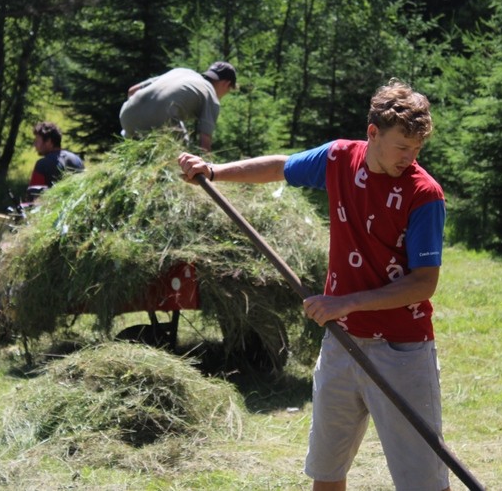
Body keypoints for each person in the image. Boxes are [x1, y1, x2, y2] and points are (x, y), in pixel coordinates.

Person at [179, 79, 450, 491]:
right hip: (342, 344)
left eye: (417, 149)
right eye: (402, 147)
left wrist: (347, 303)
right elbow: (279, 167)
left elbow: (423, 284)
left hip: (402, 350)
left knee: (422, 482)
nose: (410, 158)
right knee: (326, 472)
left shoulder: (423, 194)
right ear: (373, 133)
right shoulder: (340, 158)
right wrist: (213, 171)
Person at [119, 61, 237, 152]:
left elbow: (132, 91)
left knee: (175, 128)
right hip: (155, 124)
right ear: (226, 84)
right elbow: (204, 143)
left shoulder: (182, 72)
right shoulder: (210, 94)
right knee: (183, 149)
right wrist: (210, 170)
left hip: (126, 115)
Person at [28, 121, 84, 192]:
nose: (35, 144)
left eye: (37, 140)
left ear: (48, 141)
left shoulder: (42, 164)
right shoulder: (77, 159)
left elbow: (34, 196)